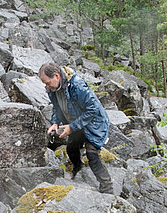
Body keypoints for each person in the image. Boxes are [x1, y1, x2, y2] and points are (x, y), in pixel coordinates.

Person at [38, 62, 113, 194]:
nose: (46, 86)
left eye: (48, 82)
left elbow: (93, 109)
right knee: (71, 148)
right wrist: (55, 123)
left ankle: (107, 188)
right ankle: (78, 170)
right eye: (45, 84)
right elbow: (57, 107)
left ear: (56, 76)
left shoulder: (77, 85)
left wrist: (72, 127)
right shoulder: (53, 89)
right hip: (76, 122)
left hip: (95, 123)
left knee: (92, 153)